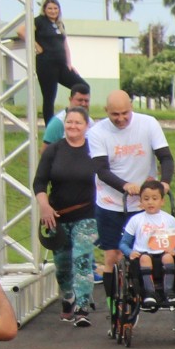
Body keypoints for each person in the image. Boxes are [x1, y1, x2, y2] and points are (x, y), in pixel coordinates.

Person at [86, 90, 173, 277]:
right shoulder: (96, 132)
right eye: (115, 114)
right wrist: (125, 186)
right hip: (111, 202)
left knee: (146, 251)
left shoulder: (148, 124)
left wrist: (164, 182)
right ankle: (113, 301)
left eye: (125, 113)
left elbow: (165, 157)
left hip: (144, 201)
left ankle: (145, 291)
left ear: (131, 107)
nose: (121, 118)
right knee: (113, 254)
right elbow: (101, 170)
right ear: (106, 110)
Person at [34, 106, 101, 325]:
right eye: (69, 122)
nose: (73, 126)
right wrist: (44, 206)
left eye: (78, 123)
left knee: (82, 259)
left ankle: (82, 306)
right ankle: (68, 296)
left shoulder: (94, 150)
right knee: (62, 265)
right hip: (57, 216)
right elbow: (40, 182)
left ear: (86, 126)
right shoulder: (54, 150)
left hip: (86, 214)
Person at [121, 181, 175, 310]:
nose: (150, 202)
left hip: (164, 253)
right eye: (146, 199)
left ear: (162, 201)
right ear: (141, 201)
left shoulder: (169, 220)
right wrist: (129, 252)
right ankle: (149, 293)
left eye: (154, 199)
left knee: (168, 258)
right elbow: (123, 243)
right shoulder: (136, 220)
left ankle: (169, 291)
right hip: (143, 255)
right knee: (145, 258)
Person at [32, 0, 88, 128]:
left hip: (61, 65)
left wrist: (69, 63)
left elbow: (64, 44)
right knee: (49, 98)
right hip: (46, 65)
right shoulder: (39, 21)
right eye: (50, 8)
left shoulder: (59, 24)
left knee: (83, 87)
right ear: (44, 10)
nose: (53, 11)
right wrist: (36, 46)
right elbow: (22, 31)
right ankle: (50, 129)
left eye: (55, 8)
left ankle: (75, 116)